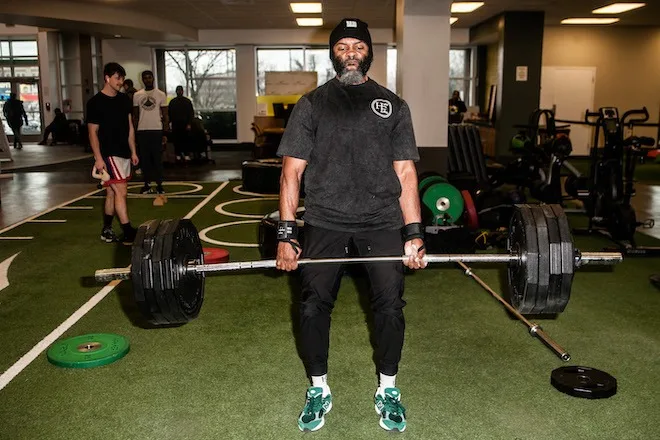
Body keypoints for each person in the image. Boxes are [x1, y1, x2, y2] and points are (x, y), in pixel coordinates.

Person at [275, 18, 426, 433]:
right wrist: (287, 235)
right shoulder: (312, 105)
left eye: (358, 46)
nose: (351, 53)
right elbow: (291, 174)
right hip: (325, 220)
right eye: (342, 46)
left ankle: (389, 386)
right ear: (332, 53)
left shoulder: (393, 105)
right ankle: (318, 387)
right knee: (312, 306)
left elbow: (406, 175)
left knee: (390, 306)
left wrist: (413, 234)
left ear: (370, 53)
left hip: (381, 220)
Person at [87, 62, 139, 244]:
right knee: (121, 191)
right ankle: (128, 231)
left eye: (122, 78)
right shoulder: (95, 103)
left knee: (111, 191)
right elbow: (92, 132)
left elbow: (130, 127)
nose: (121, 81)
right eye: (117, 78)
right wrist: (98, 158)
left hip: (123, 152)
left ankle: (106, 230)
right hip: (108, 153)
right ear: (107, 78)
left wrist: (133, 151)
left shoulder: (124, 100)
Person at [133, 70, 168, 194]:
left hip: (156, 130)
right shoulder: (137, 95)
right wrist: (134, 134)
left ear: (153, 78)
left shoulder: (161, 94)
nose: (147, 80)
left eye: (149, 77)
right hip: (142, 131)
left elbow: (165, 114)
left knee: (157, 159)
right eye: (145, 78)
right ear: (142, 80)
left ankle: (159, 185)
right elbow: (135, 116)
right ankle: (147, 184)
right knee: (145, 160)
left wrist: (165, 133)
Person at [168, 85, 195, 163]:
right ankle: (178, 154)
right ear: (176, 91)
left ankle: (186, 154)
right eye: (178, 90)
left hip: (185, 123)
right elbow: (169, 114)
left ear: (182, 91)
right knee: (177, 140)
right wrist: (169, 124)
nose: (179, 92)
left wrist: (189, 123)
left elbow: (191, 113)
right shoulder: (173, 102)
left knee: (185, 139)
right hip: (175, 124)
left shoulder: (187, 101)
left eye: (180, 90)